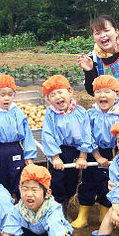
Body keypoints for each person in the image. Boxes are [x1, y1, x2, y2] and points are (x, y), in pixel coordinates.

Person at [72, 75, 119, 228]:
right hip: (93, 151)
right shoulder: (90, 114)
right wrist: (93, 155)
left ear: (117, 95)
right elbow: (86, 135)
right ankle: (83, 215)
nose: (102, 95)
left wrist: (118, 156)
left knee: (108, 183)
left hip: (113, 152)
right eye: (98, 92)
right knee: (88, 182)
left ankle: (104, 212)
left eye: (107, 92)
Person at [2, 164, 75, 236]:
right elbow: (6, 235)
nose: (29, 194)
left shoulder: (52, 210)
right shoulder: (19, 209)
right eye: (24, 189)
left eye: (34, 190)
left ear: (47, 193)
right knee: (17, 228)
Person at [41, 75, 93, 218]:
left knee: (72, 181)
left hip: (75, 150)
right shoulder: (50, 114)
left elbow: (86, 133)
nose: (57, 97)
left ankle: (66, 200)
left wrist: (83, 156)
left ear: (70, 91)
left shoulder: (81, 111)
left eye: (60, 92)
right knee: (56, 180)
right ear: (48, 99)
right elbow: (48, 135)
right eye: (52, 94)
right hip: (58, 151)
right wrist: (55, 157)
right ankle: (58, 207)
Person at [0, 74, 37, 199]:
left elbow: (27, 134)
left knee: (17, 174)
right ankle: (4, 200)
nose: (7, 99)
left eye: (10, 95)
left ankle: (18, 199)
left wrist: (29, 155)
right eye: (2, 95)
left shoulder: (17, 112)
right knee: (0, 177)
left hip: (15, 148)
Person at [77, 15, 119, 96]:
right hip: (110, 103)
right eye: (97, 33)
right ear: (94, 38)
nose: (103, 35)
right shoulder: (91, 58)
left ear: (116, 32)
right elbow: (92, 91)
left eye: (106, 30)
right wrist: (89, 71)